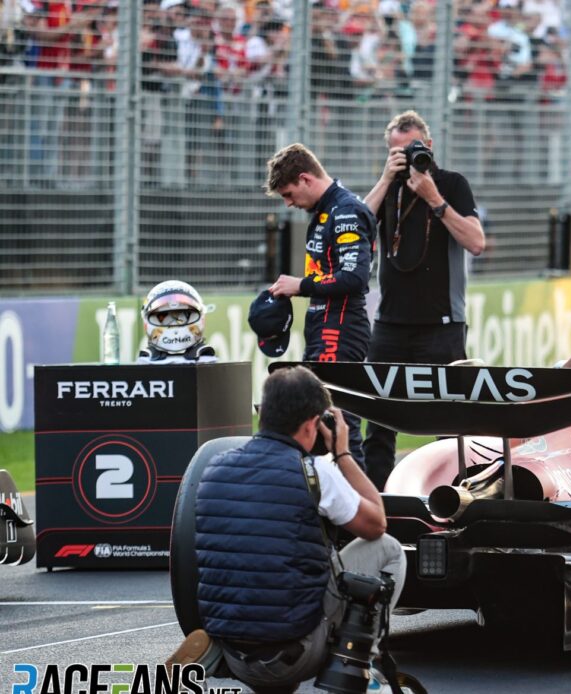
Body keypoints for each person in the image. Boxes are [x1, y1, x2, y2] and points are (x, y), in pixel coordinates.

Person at [166, 365, 407, 687]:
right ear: (313, 424)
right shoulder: (314, 472)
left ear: (262, 413)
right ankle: (359, 663)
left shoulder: (214, 468)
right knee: (388, 549)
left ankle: (222, 653)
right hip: (295, 654)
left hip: (233, 648)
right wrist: (343, 453)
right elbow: (376, 524)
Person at [360, 110, 485, 491]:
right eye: (396, 151)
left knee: (446, 422)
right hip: (390, 324)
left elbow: (476, 243)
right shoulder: (388, 188)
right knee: (377, 421)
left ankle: (445, 500)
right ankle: (378, 504)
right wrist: (385, 178)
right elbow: (357, 229)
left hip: (441, 324)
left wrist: (434, 198)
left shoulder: (451, 183)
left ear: (428, 147)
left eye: (412, 149)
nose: (406, 157)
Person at [265, 143, 377, 464]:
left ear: (305, 179)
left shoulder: (345, 211)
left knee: (338, 425)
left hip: (341, 330)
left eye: (288, 194)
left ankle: (361, 508)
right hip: (323, 327)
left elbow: (354, 277)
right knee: (315, 421)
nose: (288, 203)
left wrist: (300, 285)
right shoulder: (325, 211)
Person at [138, 280, 217, 363]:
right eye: (164, 316)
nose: (174, 323)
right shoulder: (144, 361)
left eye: (184, 314)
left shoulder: (207, 361)